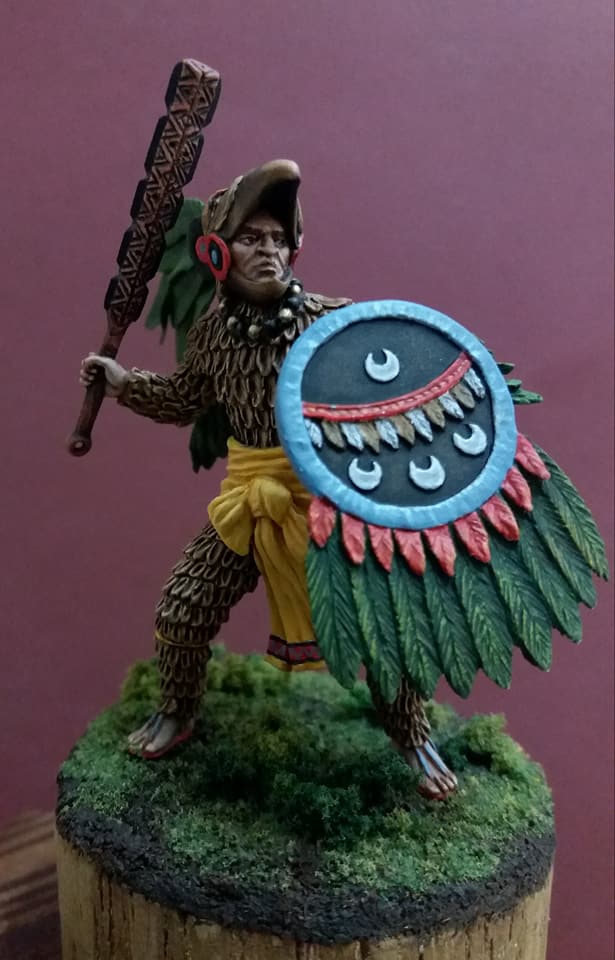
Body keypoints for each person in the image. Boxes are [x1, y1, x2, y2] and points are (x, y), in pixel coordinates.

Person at [80, 159, 457, 800]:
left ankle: (413, 736)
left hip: (327, 504)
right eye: (252, 238)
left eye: (279, 239)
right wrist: (124, 385)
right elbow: (184, 399)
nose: (269, 251)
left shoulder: (333, 323)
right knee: (182, 609)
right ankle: (177, 711)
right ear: (217, 252)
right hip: (249, 502)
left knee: (384, 628)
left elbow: (390, 394)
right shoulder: (213, 334)